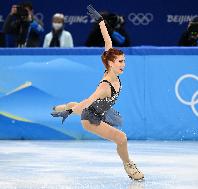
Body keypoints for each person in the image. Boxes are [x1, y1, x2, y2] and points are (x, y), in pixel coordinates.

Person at [51, 5, 144, 181]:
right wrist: (71, 112)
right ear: (110, 64)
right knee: (122, 138)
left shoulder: (110, 68)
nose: (123, 65)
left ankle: (63, 106)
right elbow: (87, 103)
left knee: (78, 106)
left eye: (124, 61)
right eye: (120, 62)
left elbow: (108, 41)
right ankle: (129, 166)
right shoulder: (104, 86)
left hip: (102, 110)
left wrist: (101, 21)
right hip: (91, 117)